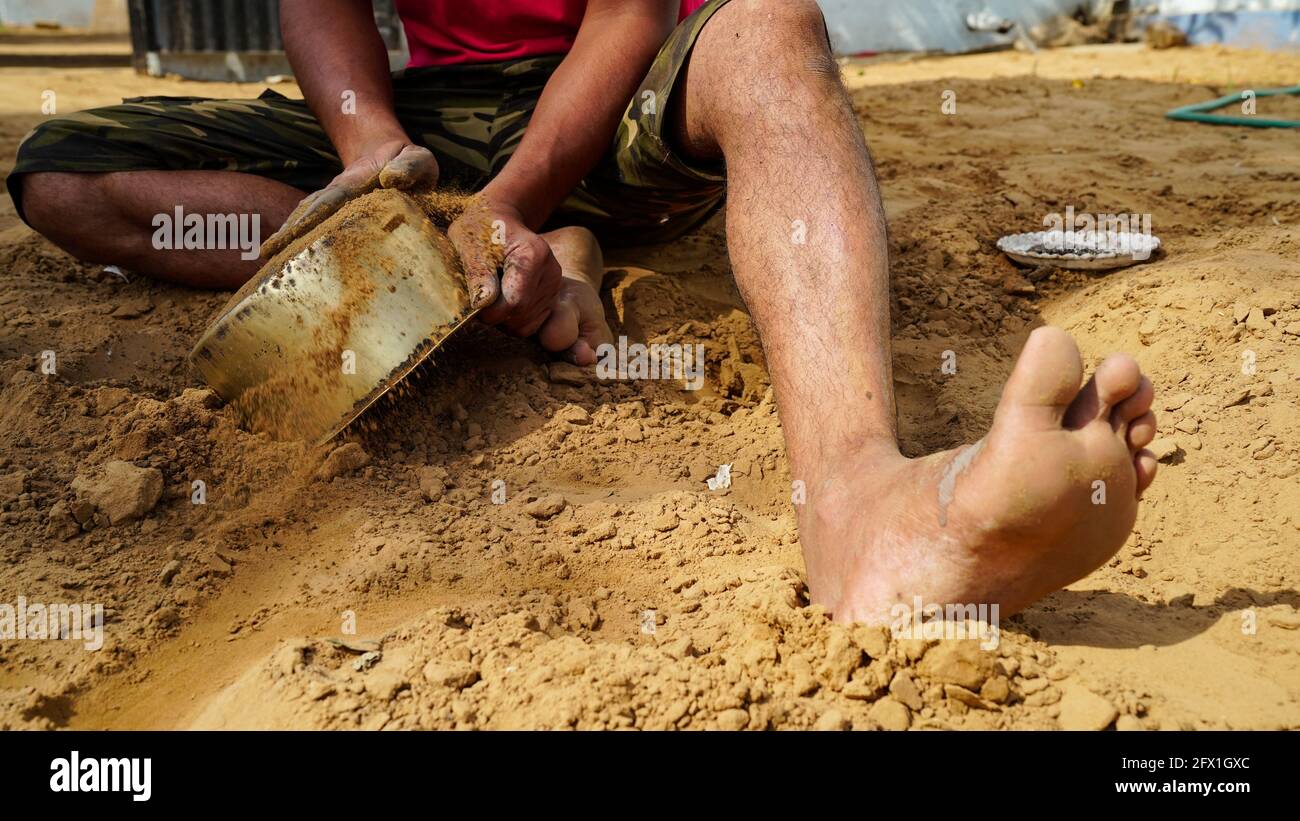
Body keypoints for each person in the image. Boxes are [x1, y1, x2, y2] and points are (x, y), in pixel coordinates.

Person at [6, 0, 1160, 623]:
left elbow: (631, 14)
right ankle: (453, 260)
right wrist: (382, 174)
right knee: (65, 173)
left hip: (621, 95)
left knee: (771, 28)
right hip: (437, 113)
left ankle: (861, 505)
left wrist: (504, 204)